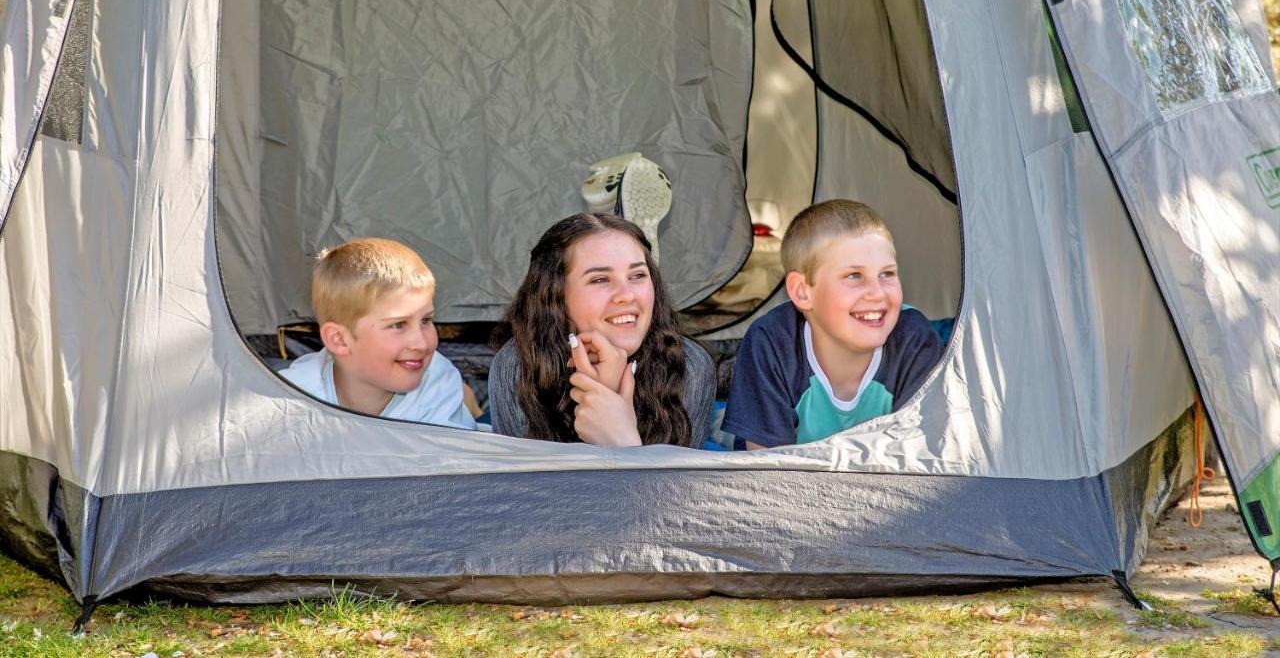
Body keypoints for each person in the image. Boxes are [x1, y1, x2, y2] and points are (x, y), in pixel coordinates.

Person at [723, 200, 943, 448]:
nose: (877, 293)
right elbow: (765, 474)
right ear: (803, 292)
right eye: (853, 276)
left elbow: (920, 456)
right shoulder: (771, 342)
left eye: (887, 274)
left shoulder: (914, 340)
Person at [489, 213, 715, 448]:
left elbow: (680, 485)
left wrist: (623, 443)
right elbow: (518, 485)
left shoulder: (689, 365)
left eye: (637, 275)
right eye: (600, 279)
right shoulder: (517, 365)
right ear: (555, 295)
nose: (627, 295)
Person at [279, 238, 476, 429]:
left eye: (426, 320)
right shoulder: (290, 398)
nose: (421, 344)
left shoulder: (437, 381)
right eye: (398, 325)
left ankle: (469, 404)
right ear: (339, 339)